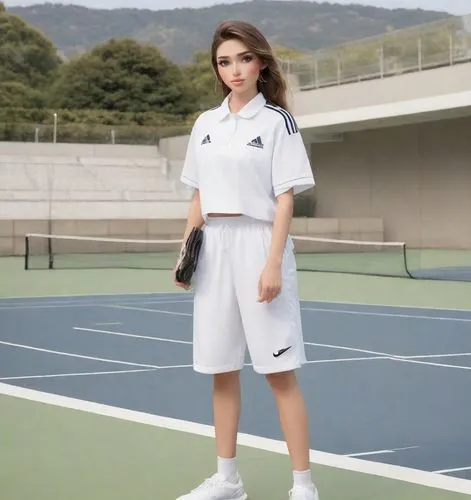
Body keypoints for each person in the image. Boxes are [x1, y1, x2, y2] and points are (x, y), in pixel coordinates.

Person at [174, 19, 319, 500]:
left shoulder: (278, 122)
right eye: (224, 61)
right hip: (214, 248)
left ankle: (302, 487)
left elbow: (285, 199)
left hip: (259, 244)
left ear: (260, 62)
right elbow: (197, 196)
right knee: (220, 370)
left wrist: (273, 262)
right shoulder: (205, 124)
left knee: (279, 373)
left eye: (243, 59)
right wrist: (186, 254)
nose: (234, 70)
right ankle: (228, 480)